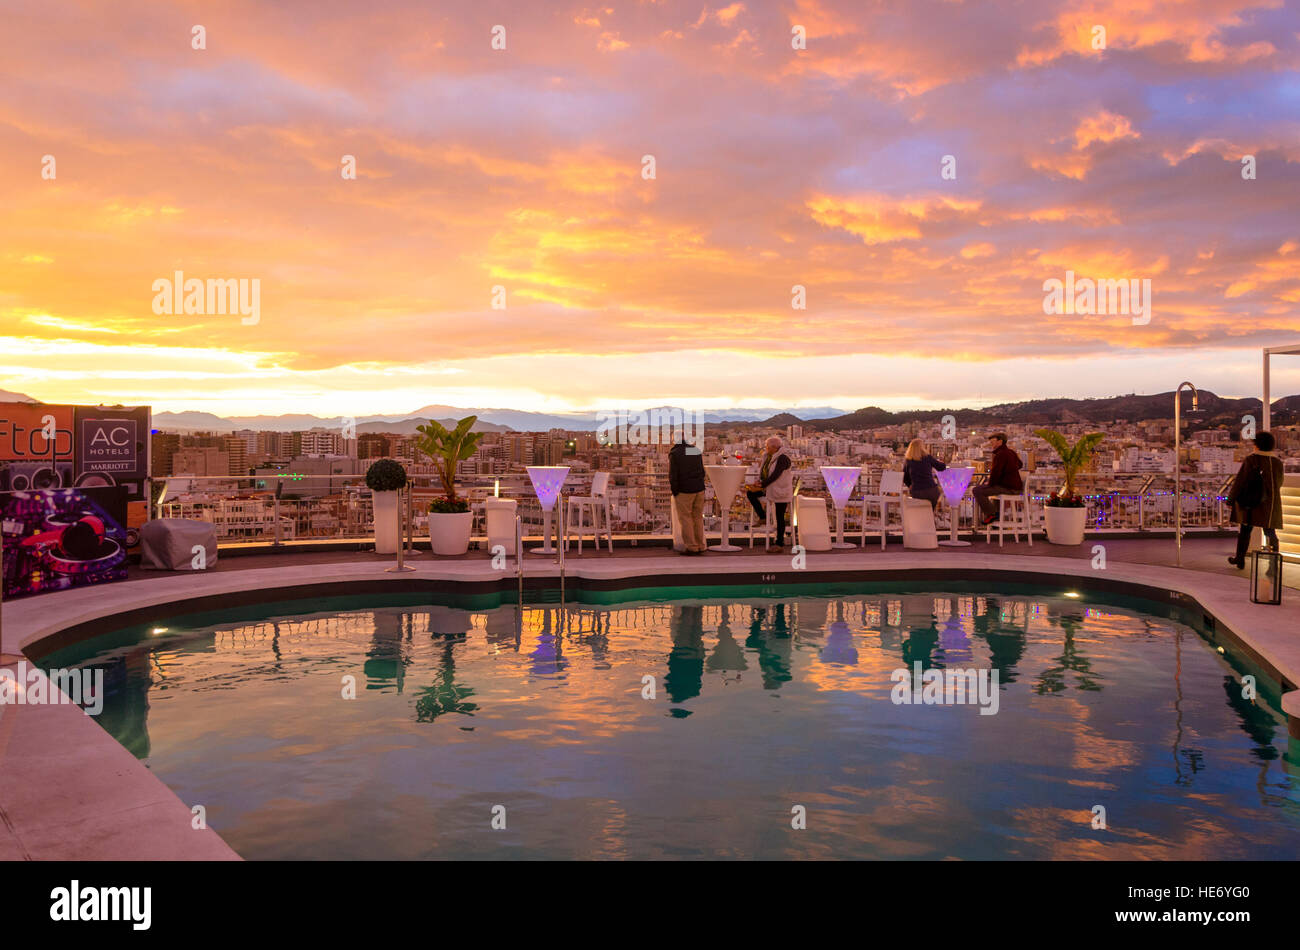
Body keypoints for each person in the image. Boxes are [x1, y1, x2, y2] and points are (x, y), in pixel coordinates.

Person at [1226, 430, 1284, 570]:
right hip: (1270, 503)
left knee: (1245, 531)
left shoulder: (1251, 460)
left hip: (1250, 502)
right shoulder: (1276, 462)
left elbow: (1240, 481)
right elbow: (1279, 482)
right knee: (1270, 532)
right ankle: (1273, 565)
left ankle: (1240, 560)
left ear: (1256, 445)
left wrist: (1231, 499)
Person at [746, 436, 794, 550]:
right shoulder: (768, 457)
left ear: (774, 447)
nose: (765, 448)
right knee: (750, 494)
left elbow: (775, 475)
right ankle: (762, 516)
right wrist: (760, 482)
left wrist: (762, 484)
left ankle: (779, 543)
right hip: (769, 488)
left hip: (780, 490)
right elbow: (766, 473)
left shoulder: (783, 458)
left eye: (767, 446)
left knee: (779, 516)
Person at [669, 432, 707, 555]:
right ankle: (701, 545)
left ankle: (691, 547)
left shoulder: (675, 453)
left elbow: (673, 475)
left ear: (674, 439)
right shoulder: (694, 450)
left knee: (685, 518)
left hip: (684, 490)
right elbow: (702, 471)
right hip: (699, 489)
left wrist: (675, 491)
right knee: (697, 517)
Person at [974, 432, 1023, 525]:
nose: (991, 444)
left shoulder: (1000, 454)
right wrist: (1009, 472)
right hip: (1014, 487)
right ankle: (996, 518)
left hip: (1008, 488)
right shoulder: (1011, 452)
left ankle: (992, 515)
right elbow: (1020, 465)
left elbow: (995, 473)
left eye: (993, 442)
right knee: (991, 492)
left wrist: (989, 484)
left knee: (977, 490)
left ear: (1000, 441)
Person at [902, 438, 946, 509]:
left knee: (920, 510)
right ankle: (930, 518)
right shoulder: (927, 457)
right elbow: (941, 467)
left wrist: (911, 485)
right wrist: (942, 461)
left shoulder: (908, 461)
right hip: (931, 490)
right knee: (931, 510)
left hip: (917, 492)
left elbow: (905, 477)